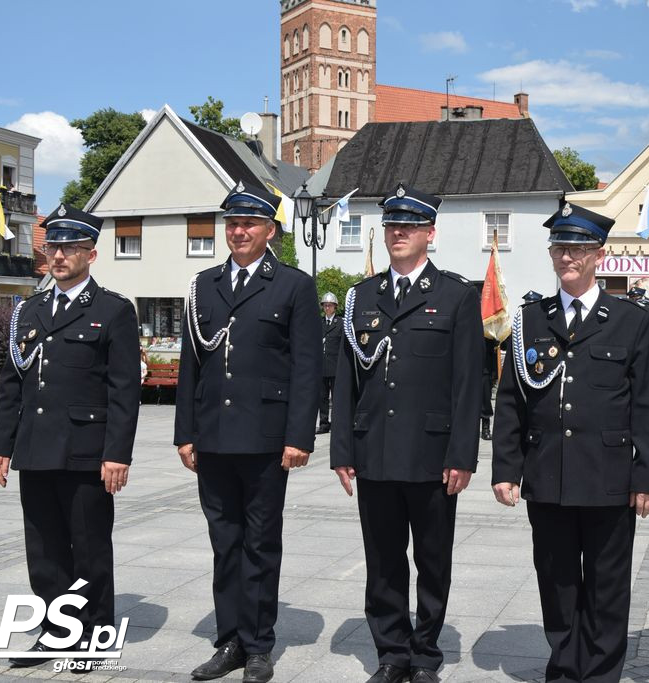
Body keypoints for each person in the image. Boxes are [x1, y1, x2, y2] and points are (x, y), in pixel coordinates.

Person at [492, 201, 649, 682]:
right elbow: (511, 401)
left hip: (609, 478)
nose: (568, 257)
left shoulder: (632, 322)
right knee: (557, 581)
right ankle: (565, 668)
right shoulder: (529, 319)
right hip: (547, 476)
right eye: (560, 247)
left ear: (599, 256)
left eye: (579, 249)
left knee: (608, 586)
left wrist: (648, 476)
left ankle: (602, 673)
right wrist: (506, 468)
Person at [330, 183, 483, 683]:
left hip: (433, 454)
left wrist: (463, 454)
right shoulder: (361, 297)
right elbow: (346, 382)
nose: (399, 232)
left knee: (433, 561)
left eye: (411, 225)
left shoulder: (457, 295)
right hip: (374, 451)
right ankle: (392, 653)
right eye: (393, 224)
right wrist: (341, 450)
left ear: (430, 234)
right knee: (383, 560)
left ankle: (425, 655)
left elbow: (468, 383)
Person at [174, 180, 320, 683]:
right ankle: (229, 640)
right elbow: (191, 365)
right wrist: (184, 432)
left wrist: (299, 436)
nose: (238, 232)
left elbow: (306, 367)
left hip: (264, 437)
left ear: (270, 231)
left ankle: (258, 644)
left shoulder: (294, 286)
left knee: (260, 542)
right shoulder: (203, 284)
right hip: (212, 436)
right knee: (224, 542)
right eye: (232, 224)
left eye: (249, 224)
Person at [0, 204, 141, 669]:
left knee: (89, 545)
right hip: (36, 448)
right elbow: (12, 383)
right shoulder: (28, 310)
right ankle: (57, 631)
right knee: (44, 547)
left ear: (91, 254)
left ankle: (94, 633)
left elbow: (123, 391)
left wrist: (117, 454)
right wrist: (1, 444)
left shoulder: (113, 311)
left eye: (69, 247)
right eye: (53, 246)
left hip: (86, 451)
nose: (58, 255)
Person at [318, 291, 343, 434]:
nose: (327, 308)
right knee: (322, 397)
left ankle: (337, 422)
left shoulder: (340, 323)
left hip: (335, 365)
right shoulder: (319, 322)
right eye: (325, 305)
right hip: (322, 365)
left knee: (336, 396)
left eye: (330, 305)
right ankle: (324, 423)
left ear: (335, 307)